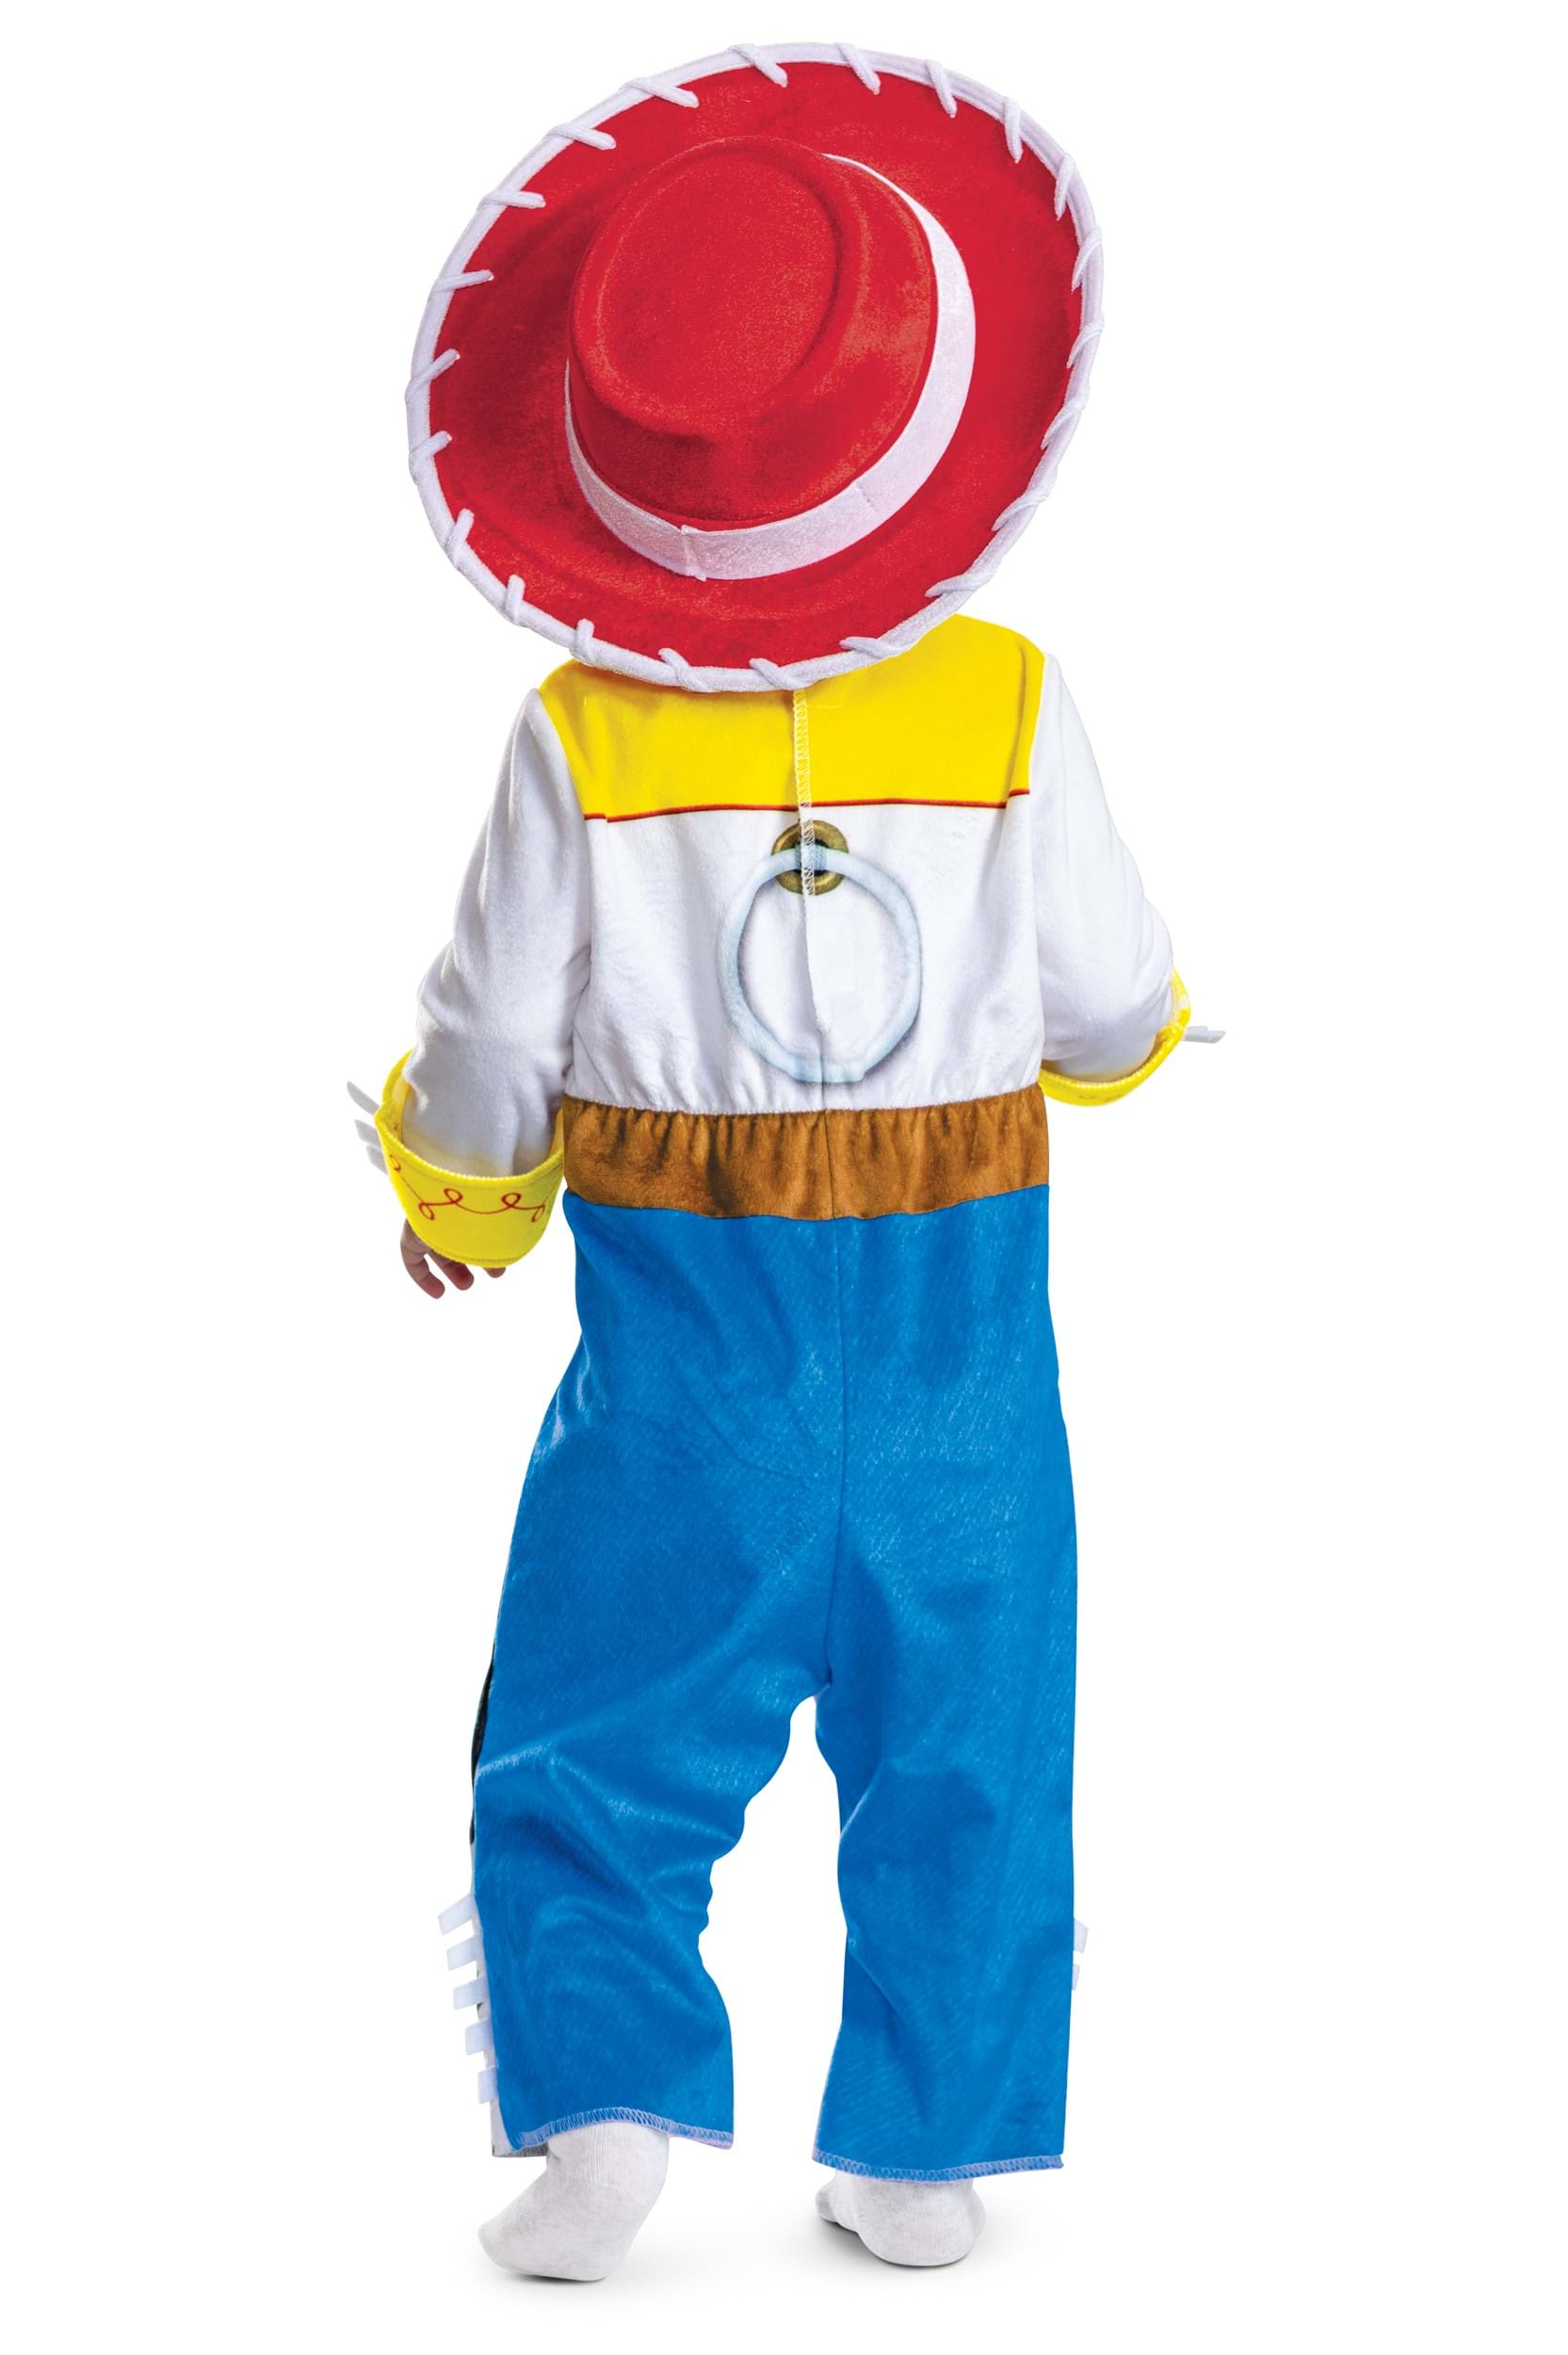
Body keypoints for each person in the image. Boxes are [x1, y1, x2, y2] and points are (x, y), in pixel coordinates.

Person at [368, 41, 1188, 2278]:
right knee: (971, 1747)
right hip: (958, 1363)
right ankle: (922, 2151)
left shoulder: (581, 731)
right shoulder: (1002, 699)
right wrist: (1099, 1033)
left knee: (589, 1724)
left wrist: (457, 1194)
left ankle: (603, 2116)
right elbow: (1113, 997)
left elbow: (484, 1034)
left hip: (683, 1364)